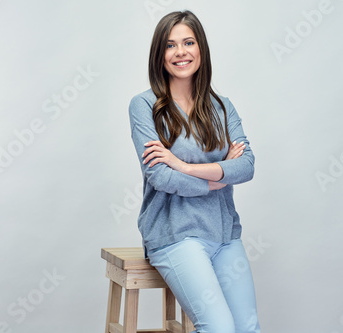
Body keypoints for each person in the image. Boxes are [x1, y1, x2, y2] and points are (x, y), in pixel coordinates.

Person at [128, 10, 261, 333]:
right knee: (219, 329)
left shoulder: (222, 106)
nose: (181, 52)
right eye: (170, 45)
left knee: (248, 329)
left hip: (224, 233)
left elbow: (245, 166)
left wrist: (184, 165)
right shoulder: (144, 106)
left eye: (188, 42)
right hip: (175, 234)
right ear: (160, 55)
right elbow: (160, 177)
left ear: (201, 48)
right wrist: (218, 177)